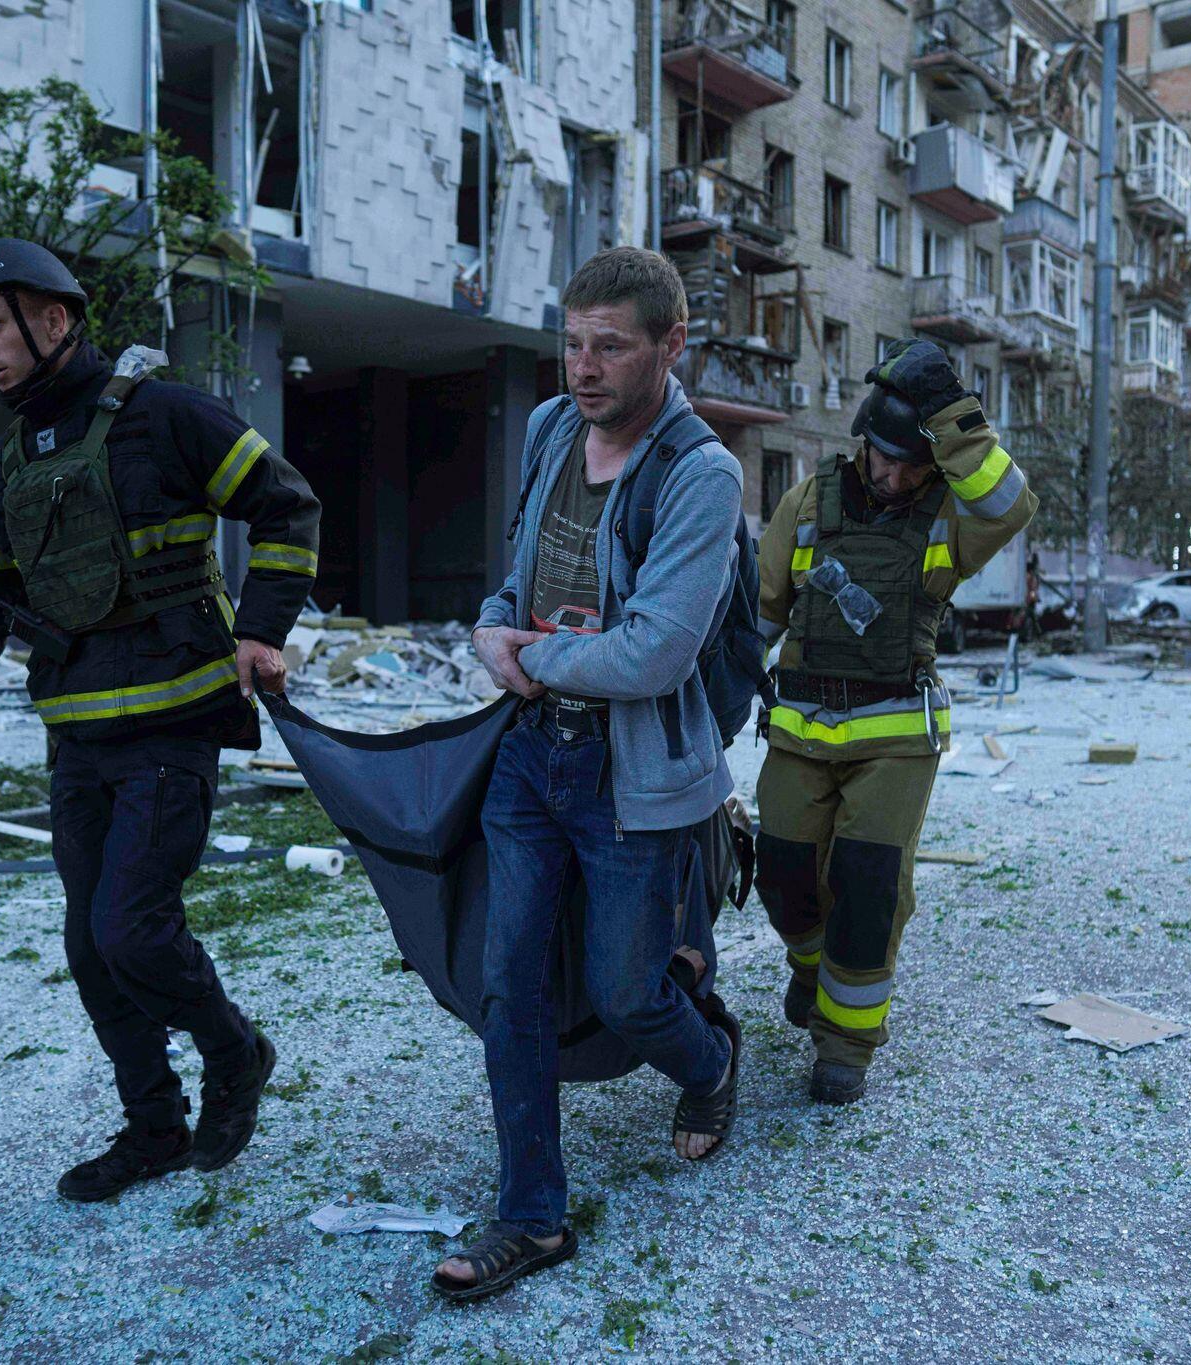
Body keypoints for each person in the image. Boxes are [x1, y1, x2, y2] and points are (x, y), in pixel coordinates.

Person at [0, 239, 321, 1200]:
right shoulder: (4, 469)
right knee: (91, 950)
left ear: (55, 317)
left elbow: (286, 505)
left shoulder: (169, 416)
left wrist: (261, 629)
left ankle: (235, 1052)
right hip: (76, 736)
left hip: (172, 723)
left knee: (132, 932)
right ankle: (153, 1129)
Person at [438, 247, 744, 1301]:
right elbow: (520, 575)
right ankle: (531, 1216)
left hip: (633, 775)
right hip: (530, 756)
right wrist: (492, 628)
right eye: (571, 343)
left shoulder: (701, 474)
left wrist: (529, 654)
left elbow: (655, 652)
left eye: (609, 346)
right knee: (509, 983)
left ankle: (709, 1060)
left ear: (671, 343)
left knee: (624, 994)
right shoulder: (547, 428)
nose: (582, 366)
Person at [754, 339, 1037, 1104]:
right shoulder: (807, 502)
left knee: (868, 882)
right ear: (863, 442)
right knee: (781, 871)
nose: (896, 476)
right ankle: (811, 968)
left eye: (914, 464)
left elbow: (1012, 503)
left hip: (895, 737)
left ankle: (845, 1042)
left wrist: (954, 415)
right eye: (886, 457)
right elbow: (761, 610)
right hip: (799, 728)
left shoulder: (949, 516)